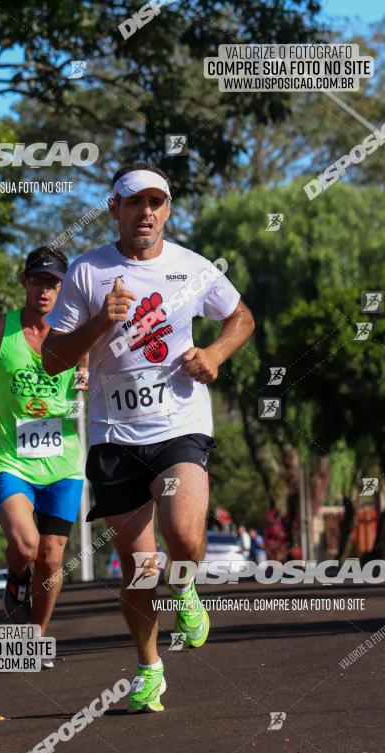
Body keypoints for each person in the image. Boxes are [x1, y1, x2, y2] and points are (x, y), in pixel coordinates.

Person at [42, 161, 255, 711]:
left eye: (157, 202)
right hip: (114, 434)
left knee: (183, 538)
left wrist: (214, 353)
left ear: (168, 209)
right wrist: (100, 323)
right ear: (114, 209)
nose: (147, 212)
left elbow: (242, 319)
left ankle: (184, 587)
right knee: (139, 569)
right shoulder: (88, 274)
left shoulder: (192, 266)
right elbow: (52, 360)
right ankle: (147, 667)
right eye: (136, 202)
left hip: (180, 423)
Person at [0, 246, 85, 652]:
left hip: (63, 462)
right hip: (10, 456)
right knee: (26, 546)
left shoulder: (76, 334)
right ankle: (16, 579)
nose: (45, 290)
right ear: (24, 282)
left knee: (51, 560)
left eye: (53, 283)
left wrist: (87, 378)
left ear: (63, 287)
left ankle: (36, 636)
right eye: (38, 281)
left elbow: (98, 376)